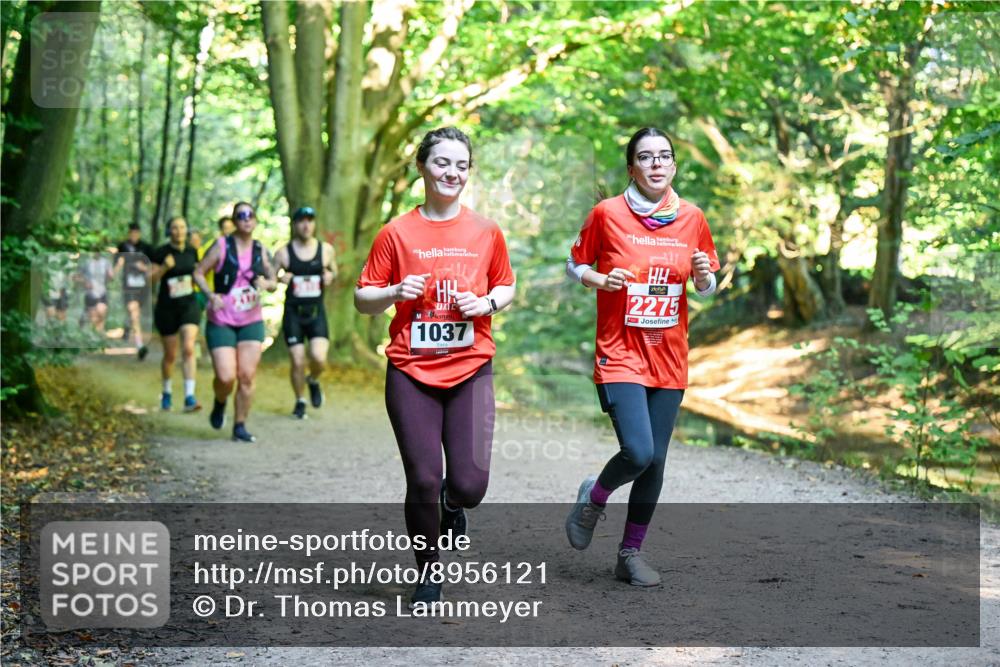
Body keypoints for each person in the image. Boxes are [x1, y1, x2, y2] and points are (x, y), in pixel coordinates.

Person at [355, 127, 516, 606]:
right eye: (443, 163)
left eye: (462, 165)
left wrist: (485, 303)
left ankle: (453, 504)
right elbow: (363, 298)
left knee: (469, 485)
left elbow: (507, 286)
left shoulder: (485, 231)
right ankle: (427, 571)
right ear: (422, 167)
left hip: (470, 368)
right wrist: (393, 292)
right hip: (410, 370)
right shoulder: (396, 232)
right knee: (423, 477)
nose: (453, 173)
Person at [563, 127, 719, 587]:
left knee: (656, 462)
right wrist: (597, 280)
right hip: (619, 352)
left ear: (673, 166)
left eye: (664, 156)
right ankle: (594, 497)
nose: (656, 164)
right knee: (638, 450)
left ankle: (629, 555)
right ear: (631, 167)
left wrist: (704, 275)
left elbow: (704, 286)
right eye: (646, 157)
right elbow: (575, 264)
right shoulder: (606, 214)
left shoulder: (692, 218)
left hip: (668, 358)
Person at [193, 202, 277, 443]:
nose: (246, 219)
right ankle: (220, 402)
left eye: (250, 215)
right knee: (226, 376)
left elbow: (273, 279)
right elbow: (198, 272)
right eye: (241, 215)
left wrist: (267, 285)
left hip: (251, 319)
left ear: (256, 220)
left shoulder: (260, 249)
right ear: (234, 220)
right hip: (222, 319)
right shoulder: (221, 246)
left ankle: (240, 425)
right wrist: (210, 295)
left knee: (247, 375)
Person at [274, 206, 337, 419]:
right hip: (293, 312)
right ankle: (300, 400)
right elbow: (271, 280)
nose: (306, 224)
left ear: (314, 223)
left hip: (316, 311)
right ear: (295, 224)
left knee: (319, 358)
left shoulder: (326, 250)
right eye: (301, 220)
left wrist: (330, 276)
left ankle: (313, 380)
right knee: (297, 360)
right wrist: (280, 279)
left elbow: (333, 271)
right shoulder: (283, 253)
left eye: (310, 220)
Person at [150, 216, 203, 412]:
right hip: (167, 309)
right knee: (170, 355)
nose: (179, 231)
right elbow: (150, 280)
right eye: (174, 228)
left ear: (186, 230)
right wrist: (164, 267)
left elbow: (199, 277)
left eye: (182, 227)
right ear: (169, 231)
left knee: (188, 348)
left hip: (189, 305)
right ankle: (167, 392)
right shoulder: (160, 253)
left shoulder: (193, 252)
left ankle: (190, 396)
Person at [116, 223, 154, 360]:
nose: (133, 235)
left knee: (134, 313)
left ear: (139, 233)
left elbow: (154, 265)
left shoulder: (147, 247)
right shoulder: (123, 246)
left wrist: (145, 268)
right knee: (134, 311)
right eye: (131, 232)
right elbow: (118, 261)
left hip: (143, 286)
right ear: (128, 233)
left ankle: (127, 326)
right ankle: (140, 345)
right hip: (128, 285)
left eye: (136, 232)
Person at [81, 251, 115, 335]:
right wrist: (85, 282)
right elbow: (77, 276)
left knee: (102, 313)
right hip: (90, 293)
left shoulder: (106, 262)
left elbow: (111, 277)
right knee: (93, 317)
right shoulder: (86, 262)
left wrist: (110, 275)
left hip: (102, 292)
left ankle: (99, 335)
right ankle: (93, 336)